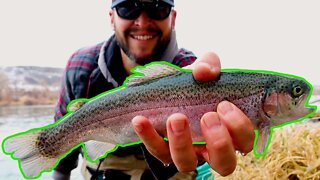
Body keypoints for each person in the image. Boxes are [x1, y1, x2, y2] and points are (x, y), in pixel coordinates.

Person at [53, 0, 255, 179]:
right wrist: (59, 170)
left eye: (157, 8)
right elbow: (65, 135)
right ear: (111, 17)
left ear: (173, 17)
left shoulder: (191, 72)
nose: (142, 21)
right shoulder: (82, 66)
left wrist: (198, 155)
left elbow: (193, 155)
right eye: (127, 7)